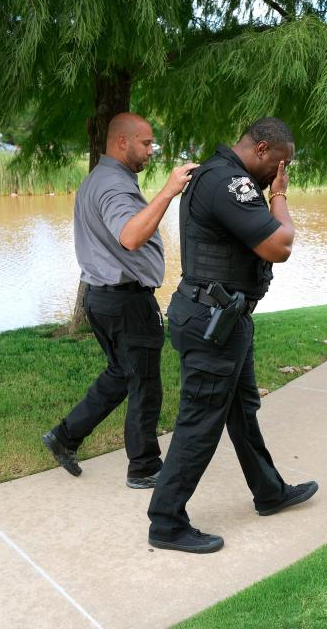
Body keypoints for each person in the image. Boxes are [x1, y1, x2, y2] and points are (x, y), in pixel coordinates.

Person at [146, 117, 318, 553]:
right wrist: (279, 196)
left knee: (242, 409)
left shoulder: (226, 176)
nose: (280, 173)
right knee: (200, 421)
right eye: (279, 164)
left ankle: (269, 491)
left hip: (224, 318)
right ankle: (166, 522)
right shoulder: (230, 183)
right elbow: (280, 246)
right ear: (262, 149)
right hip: (212, 324)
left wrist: (273, 190)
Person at [42, 112, 197, 489]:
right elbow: (129, 236)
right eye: (146, 143)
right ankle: (143, 467)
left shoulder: (99, 179)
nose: (151, 151)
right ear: (122, 142)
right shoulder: (114, 186)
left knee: (121, 373)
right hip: (125, 302)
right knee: (144, 382)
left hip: (102, 298)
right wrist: (168, 191)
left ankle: (65, 436)